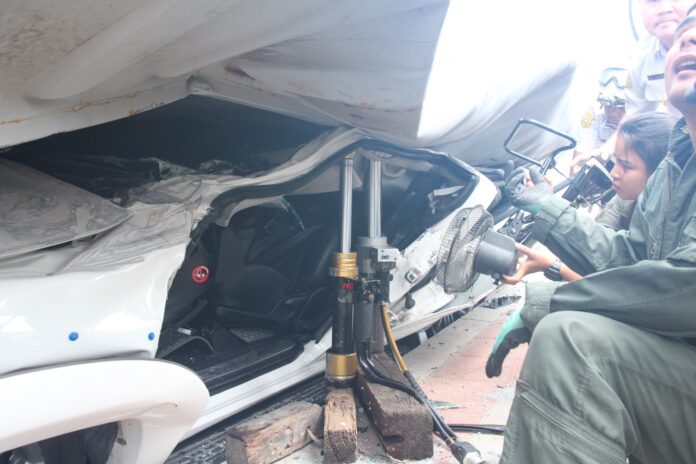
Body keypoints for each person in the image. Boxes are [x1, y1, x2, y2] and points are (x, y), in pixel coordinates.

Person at [485, 8, 696, 463]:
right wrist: (546, 206)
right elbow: (629, 261)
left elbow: (685, 286)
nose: (688, 41)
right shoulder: (675, 169)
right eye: (681, 38)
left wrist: (549, 301)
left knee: (572, 342)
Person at [504, 111, 677, 285]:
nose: (613, 173)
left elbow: (620, 286)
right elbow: (598, 250)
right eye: (615, 161)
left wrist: (553, 267)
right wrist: (549, 204)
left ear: (659, 174)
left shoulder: (672, 233)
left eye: (626, 165)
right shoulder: (623, 203)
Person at [571, 0, 688, 170]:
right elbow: (635, 115)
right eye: (652, 1)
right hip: (676, 156)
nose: (664, 9)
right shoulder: (642, 54)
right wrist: (605, 151)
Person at [572, 67, 628, 163]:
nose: (613, 112)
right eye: (608, 105)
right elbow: (578, 161)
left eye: (621, 107)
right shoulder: (593, 115)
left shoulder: (644, 119)